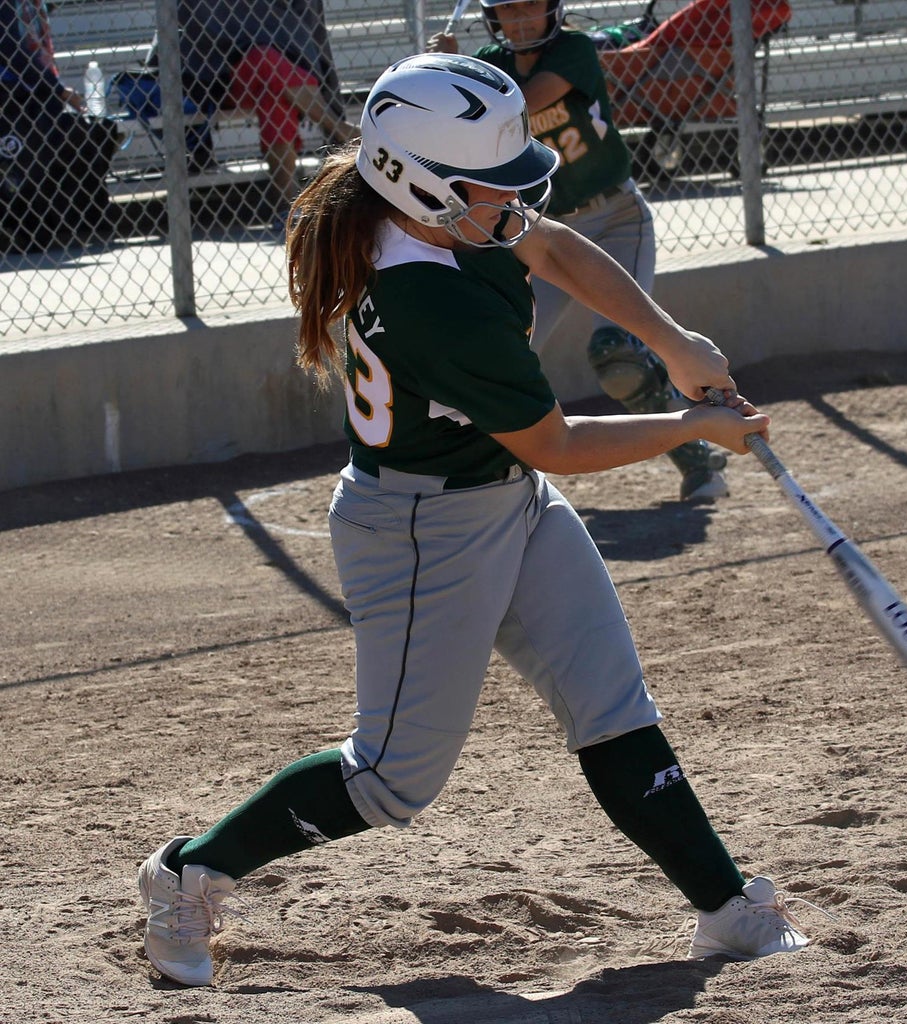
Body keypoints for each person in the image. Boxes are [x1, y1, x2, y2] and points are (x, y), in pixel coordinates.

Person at [136, 53, 814, 988]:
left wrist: (673, 342)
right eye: (493, 189)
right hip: (423, 531)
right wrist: (692, 427)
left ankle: (728, 908)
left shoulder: (431, 207)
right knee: (388, 779)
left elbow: (554, 246)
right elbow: (556, 444)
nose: (514, 204)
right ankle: (186, 873)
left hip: (501, 496)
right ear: (419, 180)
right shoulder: (431, 299)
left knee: (612, 705)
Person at [428, 0, 727, 503]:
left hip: (613, 220)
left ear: (552, 10)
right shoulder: (489, 64)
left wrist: (462, 79)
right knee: (500, 355)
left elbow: (521, 103)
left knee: (617, 357)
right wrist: (444, 75)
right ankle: (482, 484)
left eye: (530, 9)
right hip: (537, 236)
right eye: (509, 11)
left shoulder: (575, 51)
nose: (520, 21)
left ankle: (698, 462)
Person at [175, 0, 359, 219]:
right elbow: (197, 32)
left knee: (273, 94)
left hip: (275, 80)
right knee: (264, 59)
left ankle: (286, 208)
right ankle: (338, 127)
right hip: (219, 79)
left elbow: (312, 38)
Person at [0, 0, 120, 250]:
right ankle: (23, 230)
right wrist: (59, 91)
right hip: (12, 98)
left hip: (35, 95)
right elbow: (11, 50)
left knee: (77, 135)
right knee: (26, 160)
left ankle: (53, 224)